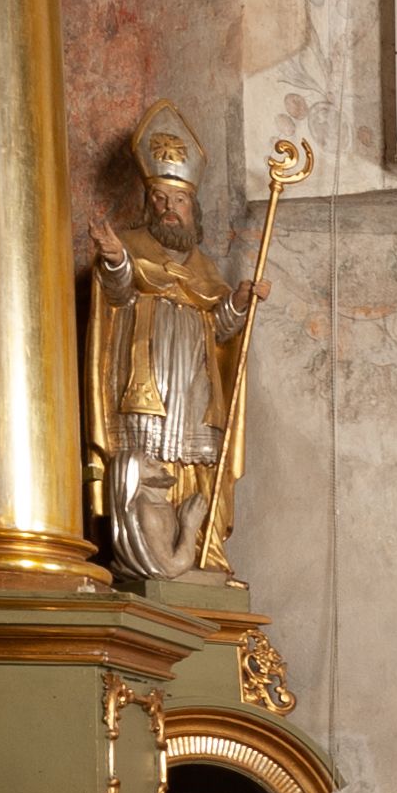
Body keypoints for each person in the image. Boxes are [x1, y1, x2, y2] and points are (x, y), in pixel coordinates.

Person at [84, 108, 256, 582]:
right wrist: (116, 260)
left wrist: (238, 303)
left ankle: (200, 553)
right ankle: (149, 558)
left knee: (196, 466)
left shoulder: (206, 268)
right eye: (159, 198)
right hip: (147, 384)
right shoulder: (129, 245)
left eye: (178, 199)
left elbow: (219, 332)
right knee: (149, 464)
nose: (168, 207)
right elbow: (116, 295)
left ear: (191, 208)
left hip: (195, 389)